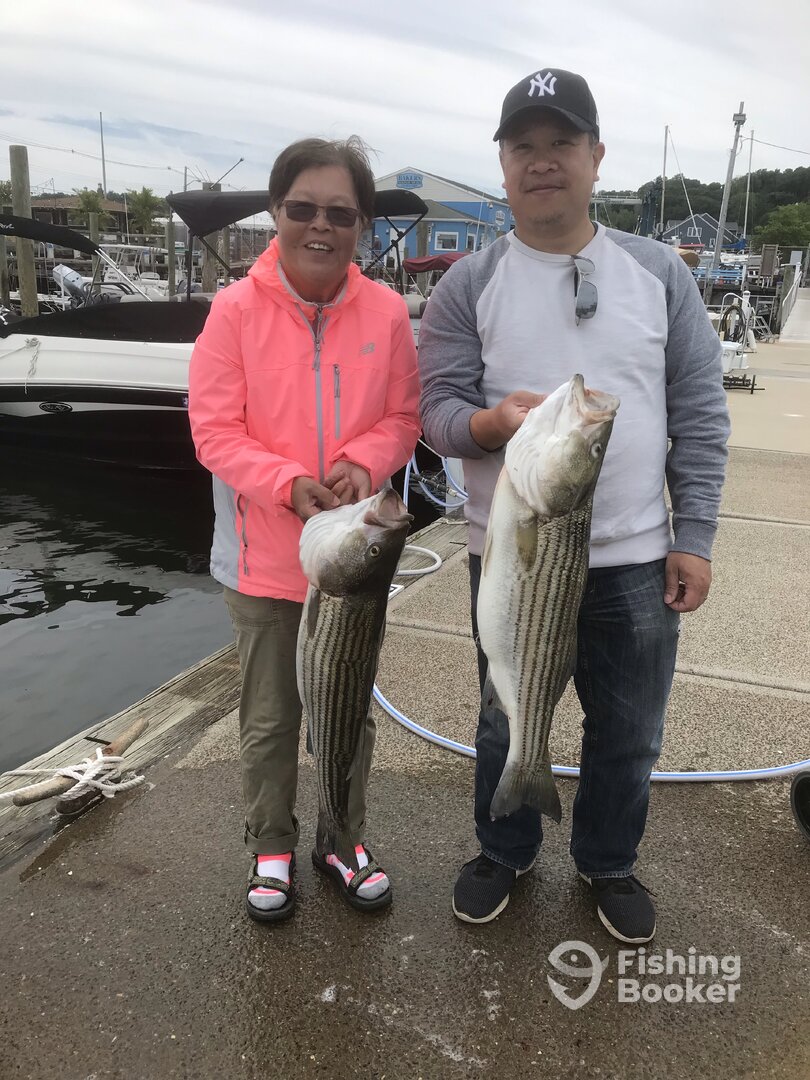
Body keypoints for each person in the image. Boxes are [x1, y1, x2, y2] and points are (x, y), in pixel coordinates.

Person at [418, 69, 730, 943]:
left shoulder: (658, 271)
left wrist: (695, 535)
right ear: (504, 164)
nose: (543, 161)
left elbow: (701, 414)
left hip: (637, 559)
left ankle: (607, 859)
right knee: (504, 714)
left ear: (596, 156)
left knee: (628, 732)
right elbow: (436, 411)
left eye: (562, 143)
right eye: (524, 146)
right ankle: (504, 846)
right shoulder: (467, 282)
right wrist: (489, 425)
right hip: (510, 557)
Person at [188, 137, 421, 922]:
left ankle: (343, 837)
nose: (321, 226)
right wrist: (285, 483)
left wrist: (363, 460)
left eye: (341, 214)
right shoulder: (233, 310)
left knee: (348, 712)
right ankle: (271, 843)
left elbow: (404, 417)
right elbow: (213, 430)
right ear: (275, 211)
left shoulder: (387, 313)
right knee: (269, 719)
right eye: (303, 208)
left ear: (361, 224)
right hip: (264, 561)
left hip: (353, 564)